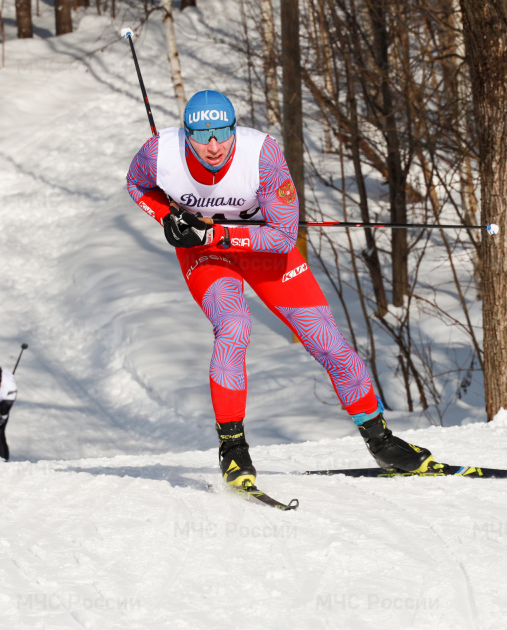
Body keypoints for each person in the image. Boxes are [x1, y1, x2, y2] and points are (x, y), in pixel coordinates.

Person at [126, 90, 433, 488]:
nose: (214, 146)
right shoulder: (158, 153)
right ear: (186, 134)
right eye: (202, 136)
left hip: (261, 248)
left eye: (222, 132)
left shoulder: (261, 155)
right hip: (204, 253)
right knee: (234, 326)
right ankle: (233, 450)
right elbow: (137, 185)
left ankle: (382, 441)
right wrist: (168, 217)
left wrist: (217, 233)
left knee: (326, 341)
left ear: (234, 128)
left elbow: (284, 237)